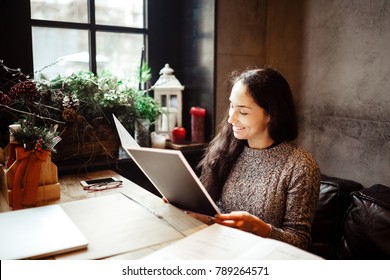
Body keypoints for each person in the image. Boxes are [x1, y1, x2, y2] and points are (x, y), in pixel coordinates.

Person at [197, 68, 321, 250]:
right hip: (223, 248)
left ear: (271, 114)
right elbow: (218, 209)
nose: (231, 119)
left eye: (243, 112)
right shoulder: (228, 149)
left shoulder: (301, 165)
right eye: (231, 106)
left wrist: (261, 229)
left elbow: (300, 241)